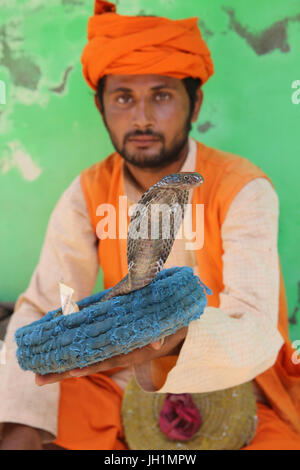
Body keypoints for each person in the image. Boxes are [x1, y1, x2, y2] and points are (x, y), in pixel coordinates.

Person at [1, 0, 300, 450]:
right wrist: (20, 425)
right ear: (101, 106)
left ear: (193, 102)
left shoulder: (241, 187)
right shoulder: (86, 192)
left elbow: (256, 325)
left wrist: (173, 342)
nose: (141, 118)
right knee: (35, 410)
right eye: (123, 98)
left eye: (161, 95)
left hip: (231, 379)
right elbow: (48, 301)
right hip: (117, 379)